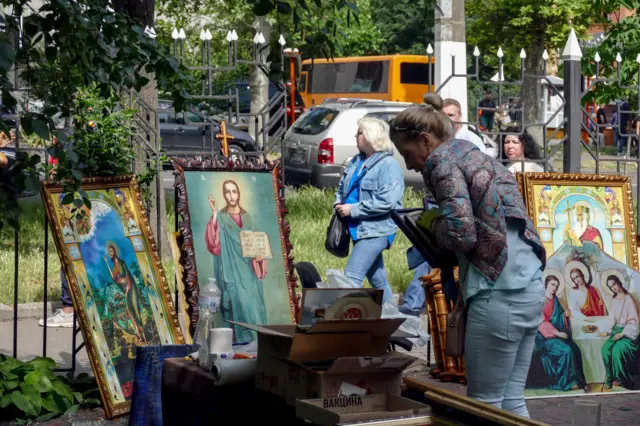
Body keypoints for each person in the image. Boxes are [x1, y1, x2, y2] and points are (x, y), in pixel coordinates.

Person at [389, 99, 546, 417]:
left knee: (484, 407)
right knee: (512, 403)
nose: (410, 165)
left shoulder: (442, 162)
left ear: (425, 140)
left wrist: (432, 225)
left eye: (407, 154)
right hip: (529, 287)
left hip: (497, 294)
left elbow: (462, 233)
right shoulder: (473, 154)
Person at [334, 117, 404, 304]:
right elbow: (342, 188)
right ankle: (395, 322)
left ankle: (338, 325)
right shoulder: (356, 161)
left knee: (350, 279)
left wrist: (353, 209)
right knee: (378, 282)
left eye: (359, 133)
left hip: (377, 231)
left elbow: (387, 201)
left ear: (371, 136)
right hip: (358, 230)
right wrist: (338, 204)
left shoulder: (388, 166)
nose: (355, 136)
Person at [205, 180, 267, 342]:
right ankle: (242, 345)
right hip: (232, 273)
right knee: (239, 307)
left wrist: (259, 258)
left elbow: (258, 245)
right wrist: (214, 213)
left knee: (254, 310)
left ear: (239, 194)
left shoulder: (248, 218)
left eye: (234, 191)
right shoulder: (222, 218)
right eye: (227, 192)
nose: (231, 195)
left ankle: (259, 345)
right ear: (224, 195)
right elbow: (214, 246)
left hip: (250, 273)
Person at [533, 274, 589, 392]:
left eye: (557, 286)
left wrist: (565, 316)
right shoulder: (540, 300)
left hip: (556, 335)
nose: (554, 288)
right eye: (553, 285)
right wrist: (557, 333)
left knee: (575, 348)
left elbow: (558, 318)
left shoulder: (555, 300)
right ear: (546, 285)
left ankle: (580, 381)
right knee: (566, 350)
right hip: (544, 338)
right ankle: (568, 383)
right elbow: (541, 321)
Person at [598, 274, 640, 389]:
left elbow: (634, 321)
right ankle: (610, 377)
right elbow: (612, 317)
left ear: (619, 283)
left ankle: (620, 378)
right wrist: (606, 331)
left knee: (617, 350)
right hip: (616, 331)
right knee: (605, 349)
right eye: (611, 287)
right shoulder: (615, 299)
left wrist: (622, 333)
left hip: (628, 334)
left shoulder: (629, 299)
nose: (614, 288)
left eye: (614, 284)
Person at [104, 242, 147, 343]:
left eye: (111, 251)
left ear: (115, 251)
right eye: (109, 251)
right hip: (124, 290)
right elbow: (113, 278)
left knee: (135, 311)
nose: (110, 253)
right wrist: (106, 263)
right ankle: (139, 335)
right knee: (129, 313)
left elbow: (128, 277)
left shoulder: (120, 262)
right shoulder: (115, 265)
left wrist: (127, 290)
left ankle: (144, 336)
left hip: (130, 290)